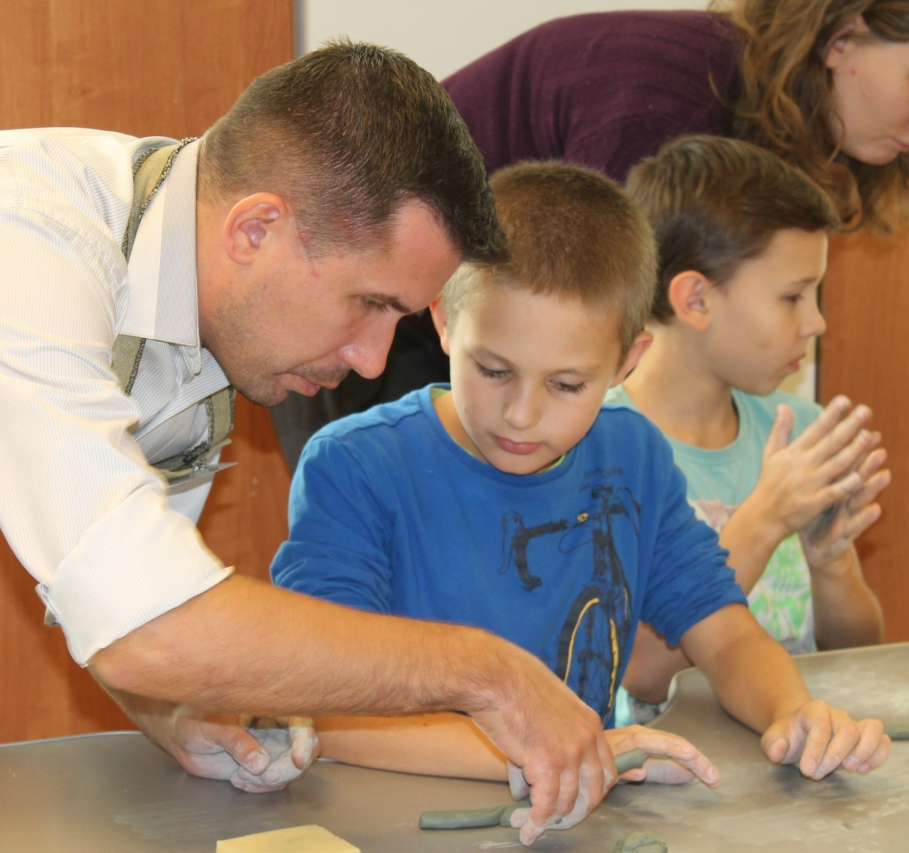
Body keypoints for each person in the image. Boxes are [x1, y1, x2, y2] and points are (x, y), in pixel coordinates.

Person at [0, 42, 623, 840]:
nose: (371, 360)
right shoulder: (10, 253)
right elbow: (155, 623)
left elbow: (119, 593)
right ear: (256, 229)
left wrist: (177, 709)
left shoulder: (203, 312)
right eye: (368, 304)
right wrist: (485, 670)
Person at [271, 162, 890, 807]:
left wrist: (792, 711)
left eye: (567, 385)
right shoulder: (356, 468)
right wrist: (555, 753)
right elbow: (326, 711)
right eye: (493, 370)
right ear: (445, 321)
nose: (521, 414)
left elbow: (725, 632)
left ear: (627, 362)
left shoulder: (631, 454)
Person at [271, 0, 909, 467]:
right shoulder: (675, 93)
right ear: (843, 38)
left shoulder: (749, 123)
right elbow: (587, 322)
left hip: (478, 328)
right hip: (372, 317)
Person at [609, 136, 887, 724]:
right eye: (793, 296)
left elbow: (858, 653)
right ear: (696, 300)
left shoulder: (799, 435)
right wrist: (764, 518)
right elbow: (642, 674)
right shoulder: (603, 447)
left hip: (797, 754)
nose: (816, 322)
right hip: (670, 770)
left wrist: (831, 565)